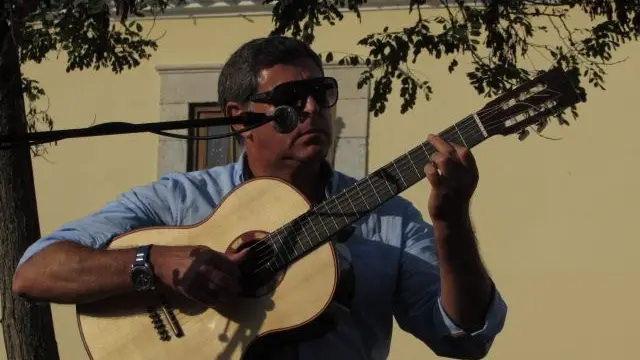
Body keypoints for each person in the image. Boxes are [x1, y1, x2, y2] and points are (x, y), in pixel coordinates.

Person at [12, 36, 507, 360]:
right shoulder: (181, 201)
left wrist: (452, 221)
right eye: (291, 99)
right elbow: (35, 273)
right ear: (238, 116)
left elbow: (461, 334)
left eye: (321, 92)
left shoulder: (388, 218)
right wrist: (157, 263)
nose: (312, 108)